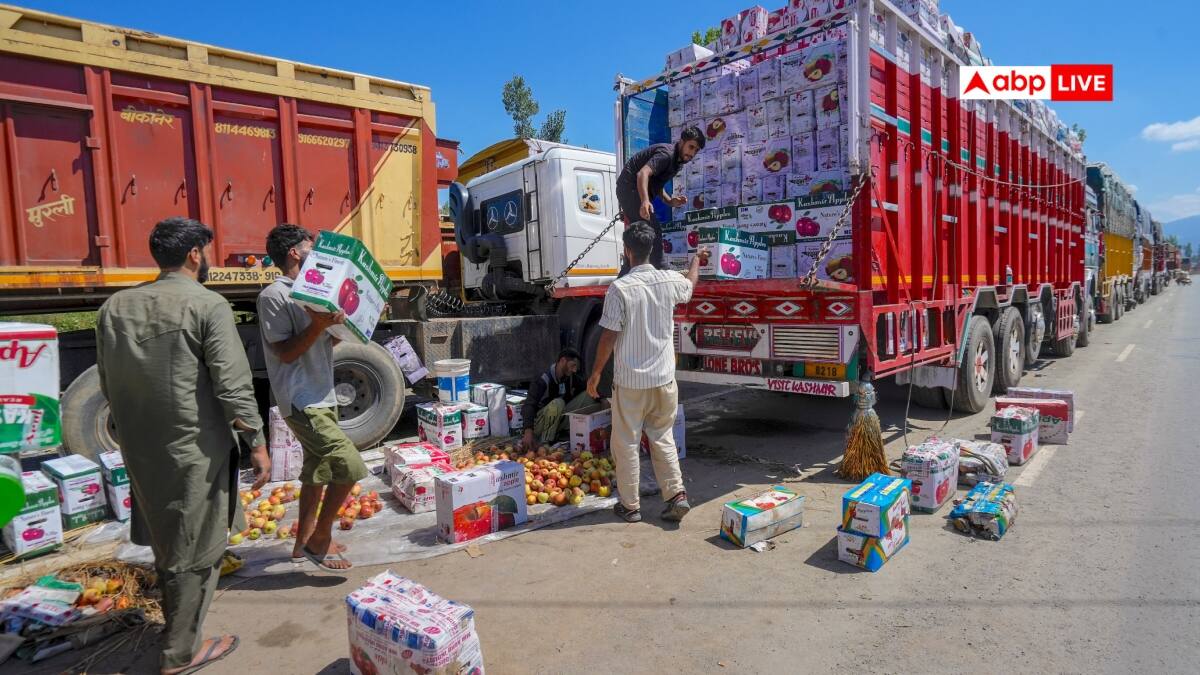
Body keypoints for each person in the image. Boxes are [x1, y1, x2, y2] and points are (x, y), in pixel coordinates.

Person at [96, 217, 269, 675]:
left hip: (141, 445)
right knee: (196, 545)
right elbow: (233, 387)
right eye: (206, 251)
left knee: (168, 533)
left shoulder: (115, 306)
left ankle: (178, 624)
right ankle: (178, 653)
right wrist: (257, 442)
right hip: (194, 447)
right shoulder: (206, 305)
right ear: (195, 253)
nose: (208, 259)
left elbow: (107, 383)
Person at [258, 223, 368, 572]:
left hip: (323, 395)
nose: (316, 252)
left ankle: (300, 544)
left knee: (317, 472)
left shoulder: (315, 292)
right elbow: (286, 353)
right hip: (302, 399)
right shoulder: (275, 295)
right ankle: (320, 539)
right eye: (309, 246)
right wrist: (318, 326)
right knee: (350, 465)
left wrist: (336, 326)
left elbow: (321, 343)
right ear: (295, 252)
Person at [587, 221, 702, 522]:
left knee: (625, 442)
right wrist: (696, 261)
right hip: (664, 380)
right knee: (661, 435)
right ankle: (676, 494)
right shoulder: (668, 280)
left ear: (626, 252)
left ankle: (630, 505)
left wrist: (596, 373)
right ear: (652, 250)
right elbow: (690, 286)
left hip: (631, 383)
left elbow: (609, 335)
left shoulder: (620, 289)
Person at [615, 126, 705, 271]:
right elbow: (643, 174)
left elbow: (656, 184)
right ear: (682, 142)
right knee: (653, 231)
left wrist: (670, 201)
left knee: (641, 237)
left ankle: (627, 271)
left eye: (696, 150)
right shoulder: (666, 155)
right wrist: (645, 200)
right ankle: (663, 270)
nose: (692, 153)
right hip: (629, 188)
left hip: (633, 191)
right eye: (691, 147)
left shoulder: (677, 163)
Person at [521, 348, 593, 451]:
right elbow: (529, 405)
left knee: (588, 395)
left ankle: (563, 434)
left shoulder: (570, 377)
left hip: (558, 420)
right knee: (558, 403)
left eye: (576, 367)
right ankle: (545, 443)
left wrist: (604, 399)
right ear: (563, 361)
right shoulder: (543, 379)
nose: (574, 370)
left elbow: (587, 386)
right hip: (539, 424)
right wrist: (528, 432)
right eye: (573, 365)